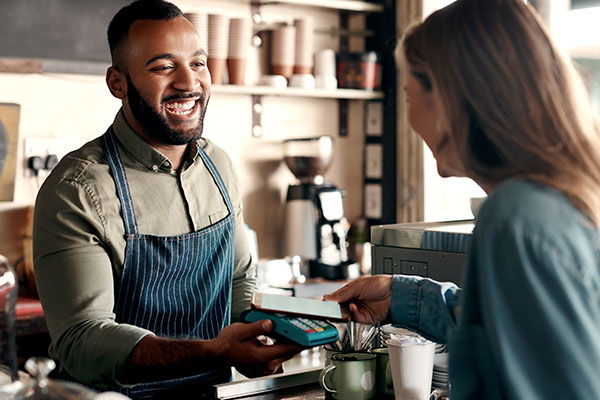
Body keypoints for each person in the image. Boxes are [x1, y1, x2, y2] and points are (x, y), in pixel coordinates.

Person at [324, 0, 600, 398]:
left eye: (408, 94)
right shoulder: (560, 198)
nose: (410, 114)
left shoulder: (514, 217)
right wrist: (401, 296)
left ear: (451, 98)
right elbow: (517, 328)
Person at [32, 0, 301, 397]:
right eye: (163, 67)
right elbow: (82, 341)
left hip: (213, 392)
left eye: (198, 63)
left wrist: (257, 334)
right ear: (117, 83)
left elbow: (239, 277)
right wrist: (212, 351)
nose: (189, 83)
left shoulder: (219, 166)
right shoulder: (77, 189)